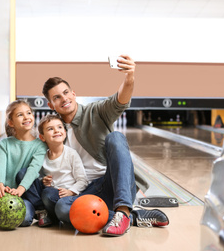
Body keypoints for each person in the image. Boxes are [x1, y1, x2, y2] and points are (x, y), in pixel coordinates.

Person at [41, 55, 169, 237]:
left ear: (74, 94)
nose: (64, 98)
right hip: (83, 192)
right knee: (58, 203)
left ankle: (123, 210)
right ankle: (132, 217)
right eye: (57, 97)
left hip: (113, 186)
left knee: (115, 137)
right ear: (51, 104)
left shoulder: (96, 111)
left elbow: (120, 101)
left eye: (66, 92)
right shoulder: (53, 130)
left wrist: (129, 77)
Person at [0, 99, 47, 227]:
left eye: (28, 113)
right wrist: (0, 186)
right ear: (11, 122)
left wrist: (20, 190)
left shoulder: (40, 146)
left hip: (24, 193)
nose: (26, 117)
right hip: (4, 190)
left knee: (25, 219)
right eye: (20, 115)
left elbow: (33, 170)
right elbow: (0, 167)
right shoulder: (5, 144)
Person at [36, 114, 88, 227]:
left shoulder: (71, 154)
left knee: (55, 200)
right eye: (50, 129)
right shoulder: (42, 156)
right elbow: (39, 177)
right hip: (52, 195)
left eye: (60, 127)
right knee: (45, 191)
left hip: (69, 197)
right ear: (42, 137)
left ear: (65, 131)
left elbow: (83, 180)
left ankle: (53, 216)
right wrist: (43, 180)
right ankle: (45, 213)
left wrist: (71, 191)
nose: (56, 131)